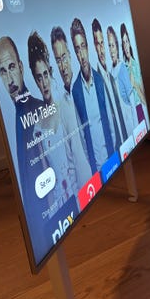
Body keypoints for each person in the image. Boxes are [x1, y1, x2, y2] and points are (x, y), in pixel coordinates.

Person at [0, 36, 48, 221]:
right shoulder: (10, 116)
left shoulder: (40, 110)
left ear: (21, 67)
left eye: (11, 67)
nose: (9, 79)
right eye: (3, 71)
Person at [27, 31, 79, 216]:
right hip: (59, 200)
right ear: (35, 80)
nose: (44, 82)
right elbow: (45, 174)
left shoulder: (65, 103)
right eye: (39, 77)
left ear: (50, 71)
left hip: (77, 188)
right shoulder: (38, 128)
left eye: (45, 74)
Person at [50, 26, 92, 190]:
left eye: (64, 57)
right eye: (58, 60)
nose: (62, 66)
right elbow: (70, 160)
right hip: (85, 187)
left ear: (69, 54)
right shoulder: (61, 107)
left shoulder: (85, 86)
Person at [70, 17, 114, 173]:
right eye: (77, 49)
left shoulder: (99, 79)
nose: (81, 54)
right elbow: (82, 134)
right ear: (75, 53)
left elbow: (110, 120)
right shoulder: (75, 90)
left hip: (111, 154)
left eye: (83, 46)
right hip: (95, 165)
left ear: (88, 47)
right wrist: (90, 163)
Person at [92, 18, 128, 149]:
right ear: (94, 46)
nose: (101, 49)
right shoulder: (96, 82)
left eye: (103, 43)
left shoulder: (111, 76)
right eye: (98, 44)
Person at [107, 25, 137, 132]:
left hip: (129, 122)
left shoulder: (122, 68)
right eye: (109, 46)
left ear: (117, 47)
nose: (111, 50)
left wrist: (136, 128)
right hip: (120, 125)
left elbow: (132, 100)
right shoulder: (110, 73)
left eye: (113, 45)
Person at [120, 22, 147, 123]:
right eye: (123, 43)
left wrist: (134, 85)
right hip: (130, 111)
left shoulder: (136, 65)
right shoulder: (123, 69)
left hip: (140, 108)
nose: (126, 46)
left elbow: (143, 96)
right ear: (122, 47)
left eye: (127, 41)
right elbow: (124, 98)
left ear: (130, 43)